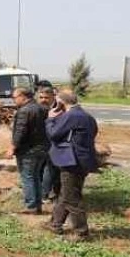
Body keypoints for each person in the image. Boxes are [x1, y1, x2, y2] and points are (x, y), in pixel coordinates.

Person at [44, 90, 98, 241]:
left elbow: (54, 134)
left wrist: (50, 119)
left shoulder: (71, 115)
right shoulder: (87, 116)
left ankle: (82, 233)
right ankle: (55, 224)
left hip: (71, 161)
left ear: (60, 102)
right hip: (83, 160)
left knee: (72, 198)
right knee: (66, 194)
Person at [7, 87, 50, 214]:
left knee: (27, 176)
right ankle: (37, 205)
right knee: (35, 176)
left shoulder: (24, 111)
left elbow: (20, 131)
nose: (13, 100)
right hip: (42, 148)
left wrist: (12, 147)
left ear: (23, 96)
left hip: (28, 150)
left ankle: (31, 206)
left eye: (15, 97)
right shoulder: (42, 108)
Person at [37, 87, 61, 201]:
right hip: (39, 145)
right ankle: (44, 192)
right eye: (41, 97)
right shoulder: (37, 109)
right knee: (41, 169)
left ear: (53, 97)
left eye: (46, 97)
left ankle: (45, 194)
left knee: (51, 169)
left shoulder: (59, 109)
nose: (43, 100)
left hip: (54, 144)